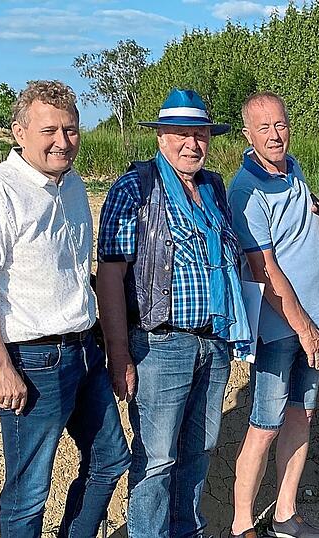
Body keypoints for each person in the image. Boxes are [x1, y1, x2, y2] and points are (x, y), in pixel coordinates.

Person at [0, 80, 129, 537]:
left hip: (83, 352)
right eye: (49, 130)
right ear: (19, 132)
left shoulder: (71, 187)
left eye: (70, 130)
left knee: (110, 458)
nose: (62, 141)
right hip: (34, 362)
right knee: (28, 492)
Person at [96, 88, 252, 537]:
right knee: (158, 458)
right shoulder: (137, 187)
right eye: (180, 134)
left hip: (212, 341)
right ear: (161, 137)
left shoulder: (214, 186)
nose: (191, 144)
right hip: (161, 343)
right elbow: (110, 274)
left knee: (198, 452)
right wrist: (119, 354)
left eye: (199, 134)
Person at [226, 92, 319, 538]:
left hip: (316, 320)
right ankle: (239, 525)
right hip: (280, 330)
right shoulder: (245, 190)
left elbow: (302, 224)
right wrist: (305, 328)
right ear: (248, 135)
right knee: (265, 424)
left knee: (302, 415)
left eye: (281, 125)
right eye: (265, 128)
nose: (275, 135)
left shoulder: (294, 170)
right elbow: (266, 271)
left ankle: (285, 514)